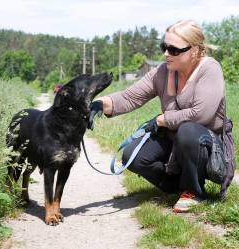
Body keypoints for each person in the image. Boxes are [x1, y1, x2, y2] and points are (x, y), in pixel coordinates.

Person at [89, 20, 231, 213]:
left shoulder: (210, 69)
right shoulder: (163, 71)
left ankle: (193, 190)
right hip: (175, 138)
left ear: (195, 50)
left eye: (173, 49)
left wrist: (161, 120)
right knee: (133, 155)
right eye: (164, 47)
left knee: (188, 130)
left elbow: (201, 114)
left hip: (205, 142)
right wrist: (99, 104)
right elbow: (129, 97)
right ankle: (175, 187)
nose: (166, 53)